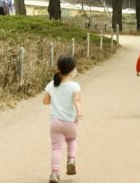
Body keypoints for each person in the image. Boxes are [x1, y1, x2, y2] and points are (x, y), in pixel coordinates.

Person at [43, 54, 82, 182]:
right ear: (72, 70)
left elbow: (45, 101)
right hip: (69, 122)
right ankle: (71, 159)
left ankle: (55, 173)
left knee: (56, 148)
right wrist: (79, 113)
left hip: (54, 122)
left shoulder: (51, 85)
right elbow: (77, 101)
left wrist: (55, 99)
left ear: (58, 68)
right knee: (72, 140)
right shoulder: (75, 86)